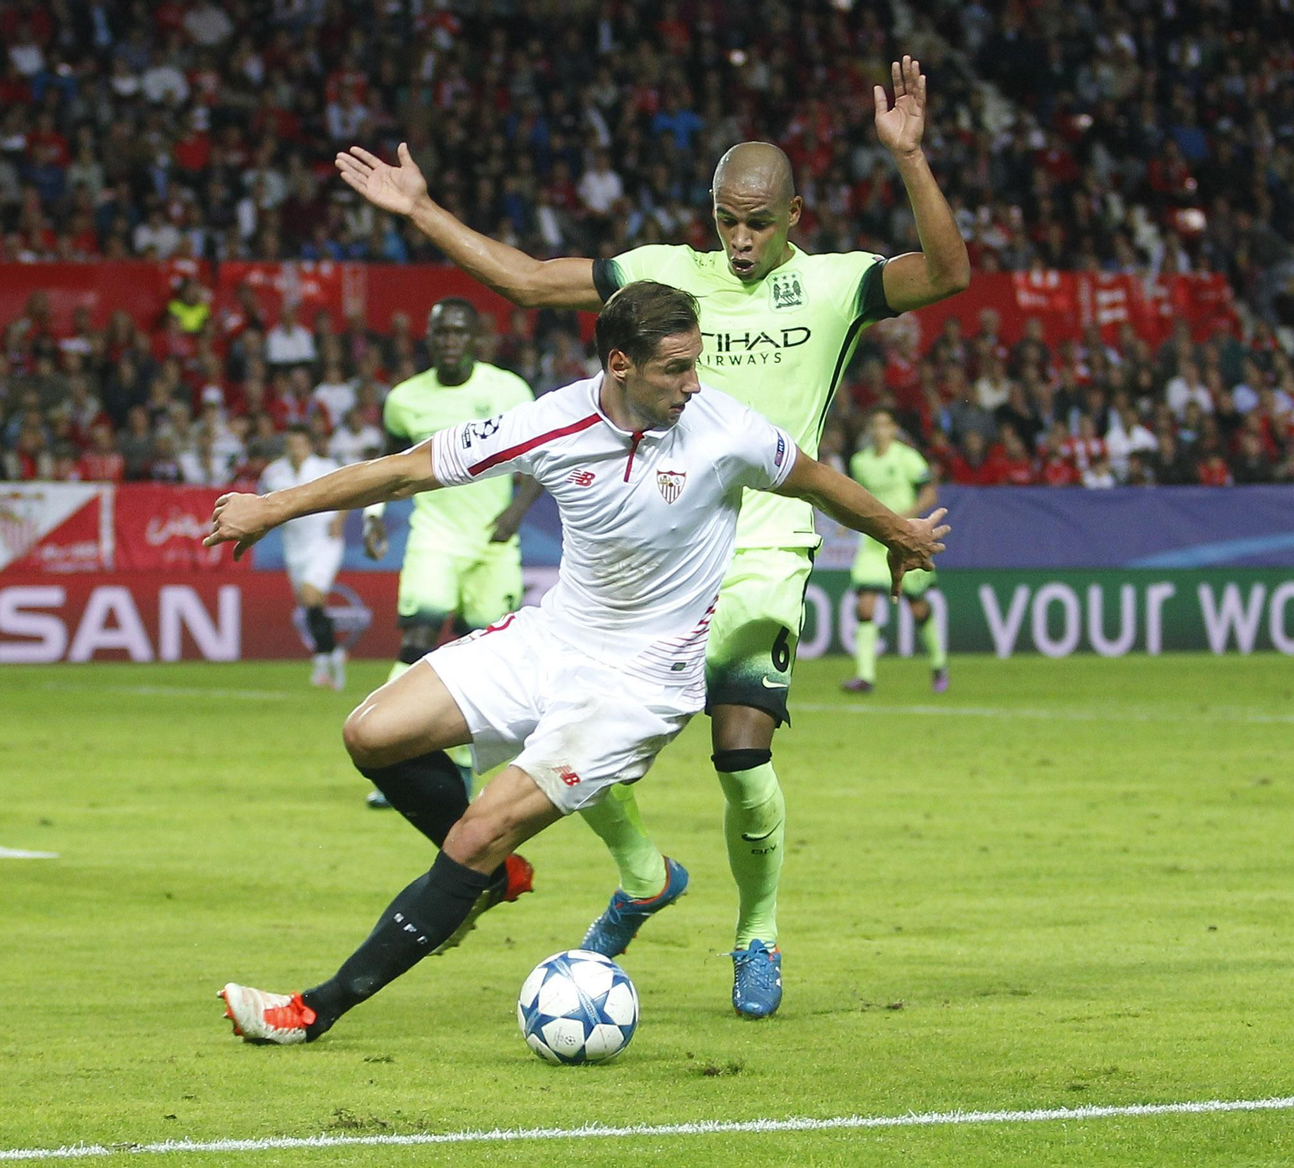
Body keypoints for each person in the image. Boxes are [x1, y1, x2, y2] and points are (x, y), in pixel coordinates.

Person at [336, 55, 969, 1016]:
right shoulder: (664, 277)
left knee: (742, 755)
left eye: (760, 222)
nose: (741, 239)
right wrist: (421, 210)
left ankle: (755, 935)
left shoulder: (839, 284)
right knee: (579, 732)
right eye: (727, 219)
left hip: (763, 549)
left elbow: (950, 274)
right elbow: (526, 282)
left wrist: (910, 159)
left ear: (795, 216)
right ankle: (642, 874)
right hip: (650, 553)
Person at [207, 282, 948, 1044]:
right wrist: (272, 507)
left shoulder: (727, 430)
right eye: (675, 369)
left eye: (696, 364)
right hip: (554, 638)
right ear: (620, 363)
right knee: (371, 733)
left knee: (477, 832)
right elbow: (407, 469)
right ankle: (487, 879)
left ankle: (313, 1010)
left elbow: (817, 481)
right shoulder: (552, 423)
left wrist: (898, 534)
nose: (694, 385)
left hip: (637, 686)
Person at [359, 298, 542, 808]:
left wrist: (516, 511)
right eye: (441, 332)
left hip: (493, 545)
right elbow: (387, 463)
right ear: (430, 337)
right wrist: (373, 516)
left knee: (480, 655)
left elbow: (540, 456)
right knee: (417, 640)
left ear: (476, 337)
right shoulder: (405, 399)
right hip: (434, 537)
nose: (450, 341)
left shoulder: (508, 390)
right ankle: (390, 760)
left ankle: (459, 769)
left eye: (460, 332)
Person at [841, 409, 946, 694]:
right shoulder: (860, 462)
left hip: (905, 540)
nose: (879, 431)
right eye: (874, 425)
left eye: (885, 425)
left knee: (917, 607)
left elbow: (930, 494)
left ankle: (938, 664)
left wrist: (902, 520)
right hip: (873, 544)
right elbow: (855, 497)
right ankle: (865, 676)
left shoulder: (907, 458)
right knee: (865, 604)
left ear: (894, 429)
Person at [259, 423, 348, 690]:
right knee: (310, 604)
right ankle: (332, 654)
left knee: (310, 595)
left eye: (300, 444)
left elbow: (348, 494)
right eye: (291, 445)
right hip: (294, 545)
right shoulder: (274, 472)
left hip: (324, 541)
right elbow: (263, 504)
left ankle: (322, 658)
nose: (295, 450)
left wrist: (339, 520)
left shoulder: (325, 468)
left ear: (309, 446)